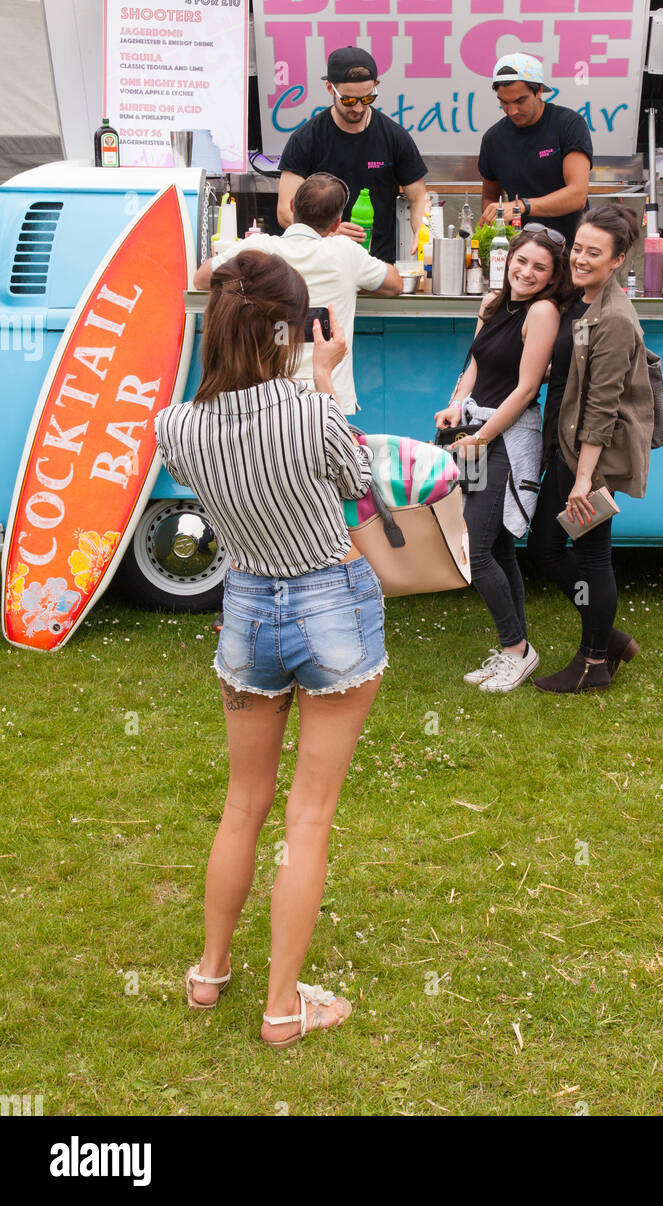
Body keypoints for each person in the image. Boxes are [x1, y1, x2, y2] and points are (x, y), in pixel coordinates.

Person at [155, 250, 386, 1047]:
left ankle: (210, 973)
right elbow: (360, 478)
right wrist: (323, 378)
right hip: (329, 600)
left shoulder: (175, 426)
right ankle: (285, 1007)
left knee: (241, 805)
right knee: (308, 816)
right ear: (288, 328)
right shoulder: (309, 409)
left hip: (247, 608)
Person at [434, 228, 572, 693]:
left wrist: (483, 437)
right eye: (522, 261)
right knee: (496, 547)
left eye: (540, 268)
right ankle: (517, 648)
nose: (527, 272)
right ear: (509, 258)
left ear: (552, 278)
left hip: (507, 440)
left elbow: (528, 388)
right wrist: (456, 404)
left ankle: (516, 650)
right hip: (473, 430)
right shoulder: (493, 303)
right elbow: (473, 365)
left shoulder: (544, 312)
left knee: (474, 547)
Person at [527, 204, 654, 694]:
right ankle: (612, 637)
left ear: (618, 258)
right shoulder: (581, 300)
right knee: (544, 548)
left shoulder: (616, 318)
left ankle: (594, 661)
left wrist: (584, 479)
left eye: (593, 253)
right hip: (566, 443)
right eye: (577, 248)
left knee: (592, 556)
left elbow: (602, 407)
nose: (580, 259)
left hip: (589, 456)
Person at [193, 173, 402, 416]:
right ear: (336, 224)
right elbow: (394, 284)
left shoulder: (260, 247)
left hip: (267, 400)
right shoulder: (346, 253)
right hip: (328, 400)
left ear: (292, 206)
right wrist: (353, 282)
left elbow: (201, 279)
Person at [276, 47, 429, 263]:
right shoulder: (306, 139)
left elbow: (419, 196)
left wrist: (422, 236)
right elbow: (284, 211)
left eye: (367, 99)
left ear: (375, 86)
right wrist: (329, 235)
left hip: (376, 263)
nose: (358, 107)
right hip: (321, 262)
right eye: (348, 101)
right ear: (330, 88)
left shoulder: (394, 136)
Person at [477, 53, 593, 250]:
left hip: (572, 251)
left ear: (539, 90)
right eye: (503, 102)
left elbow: (577, 195)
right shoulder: (493, 139)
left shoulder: (568, 124)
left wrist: (521, 206)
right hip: (523, 255)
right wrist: (495, 228)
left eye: (520, 101)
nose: (512, 110)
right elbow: (490, 196)